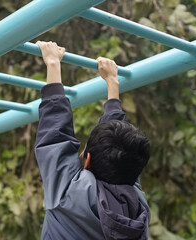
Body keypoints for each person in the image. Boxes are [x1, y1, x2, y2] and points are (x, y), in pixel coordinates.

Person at [34, 41, 150, 240]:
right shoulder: (138, 208)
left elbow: (56, 139)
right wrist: (52, 63)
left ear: (87, 161)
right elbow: (56, 136)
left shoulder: (69, 195)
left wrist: (112, 83)